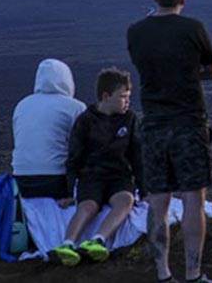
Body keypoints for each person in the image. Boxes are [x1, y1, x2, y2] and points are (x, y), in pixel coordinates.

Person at [128, 0, 212, 283]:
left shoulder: (136, 32)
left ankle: (163, 273)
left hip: (153, 124)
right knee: (194, 199)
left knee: (159, 201)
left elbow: (143, 67)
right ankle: (193, 274)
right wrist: (188, 75)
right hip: (189, 123)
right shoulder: (194, 28)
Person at [49, 67, 146, 266]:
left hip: (119, 177)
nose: (127, 101)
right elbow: (74, 157)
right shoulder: (85, 120)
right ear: (105, 96)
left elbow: (137, 155)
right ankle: (67, 244)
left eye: (128, 96)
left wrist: (144, 189)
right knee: (88, 206)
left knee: (125, 201)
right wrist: (68, 191)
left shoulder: (130, 119)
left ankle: (98, 240)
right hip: (91, 176)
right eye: (123, 97)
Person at [12, 58, 86, 199]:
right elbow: (82, 147)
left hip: (21, 179)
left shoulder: (22, 105)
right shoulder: (75, 107)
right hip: (56, 179)